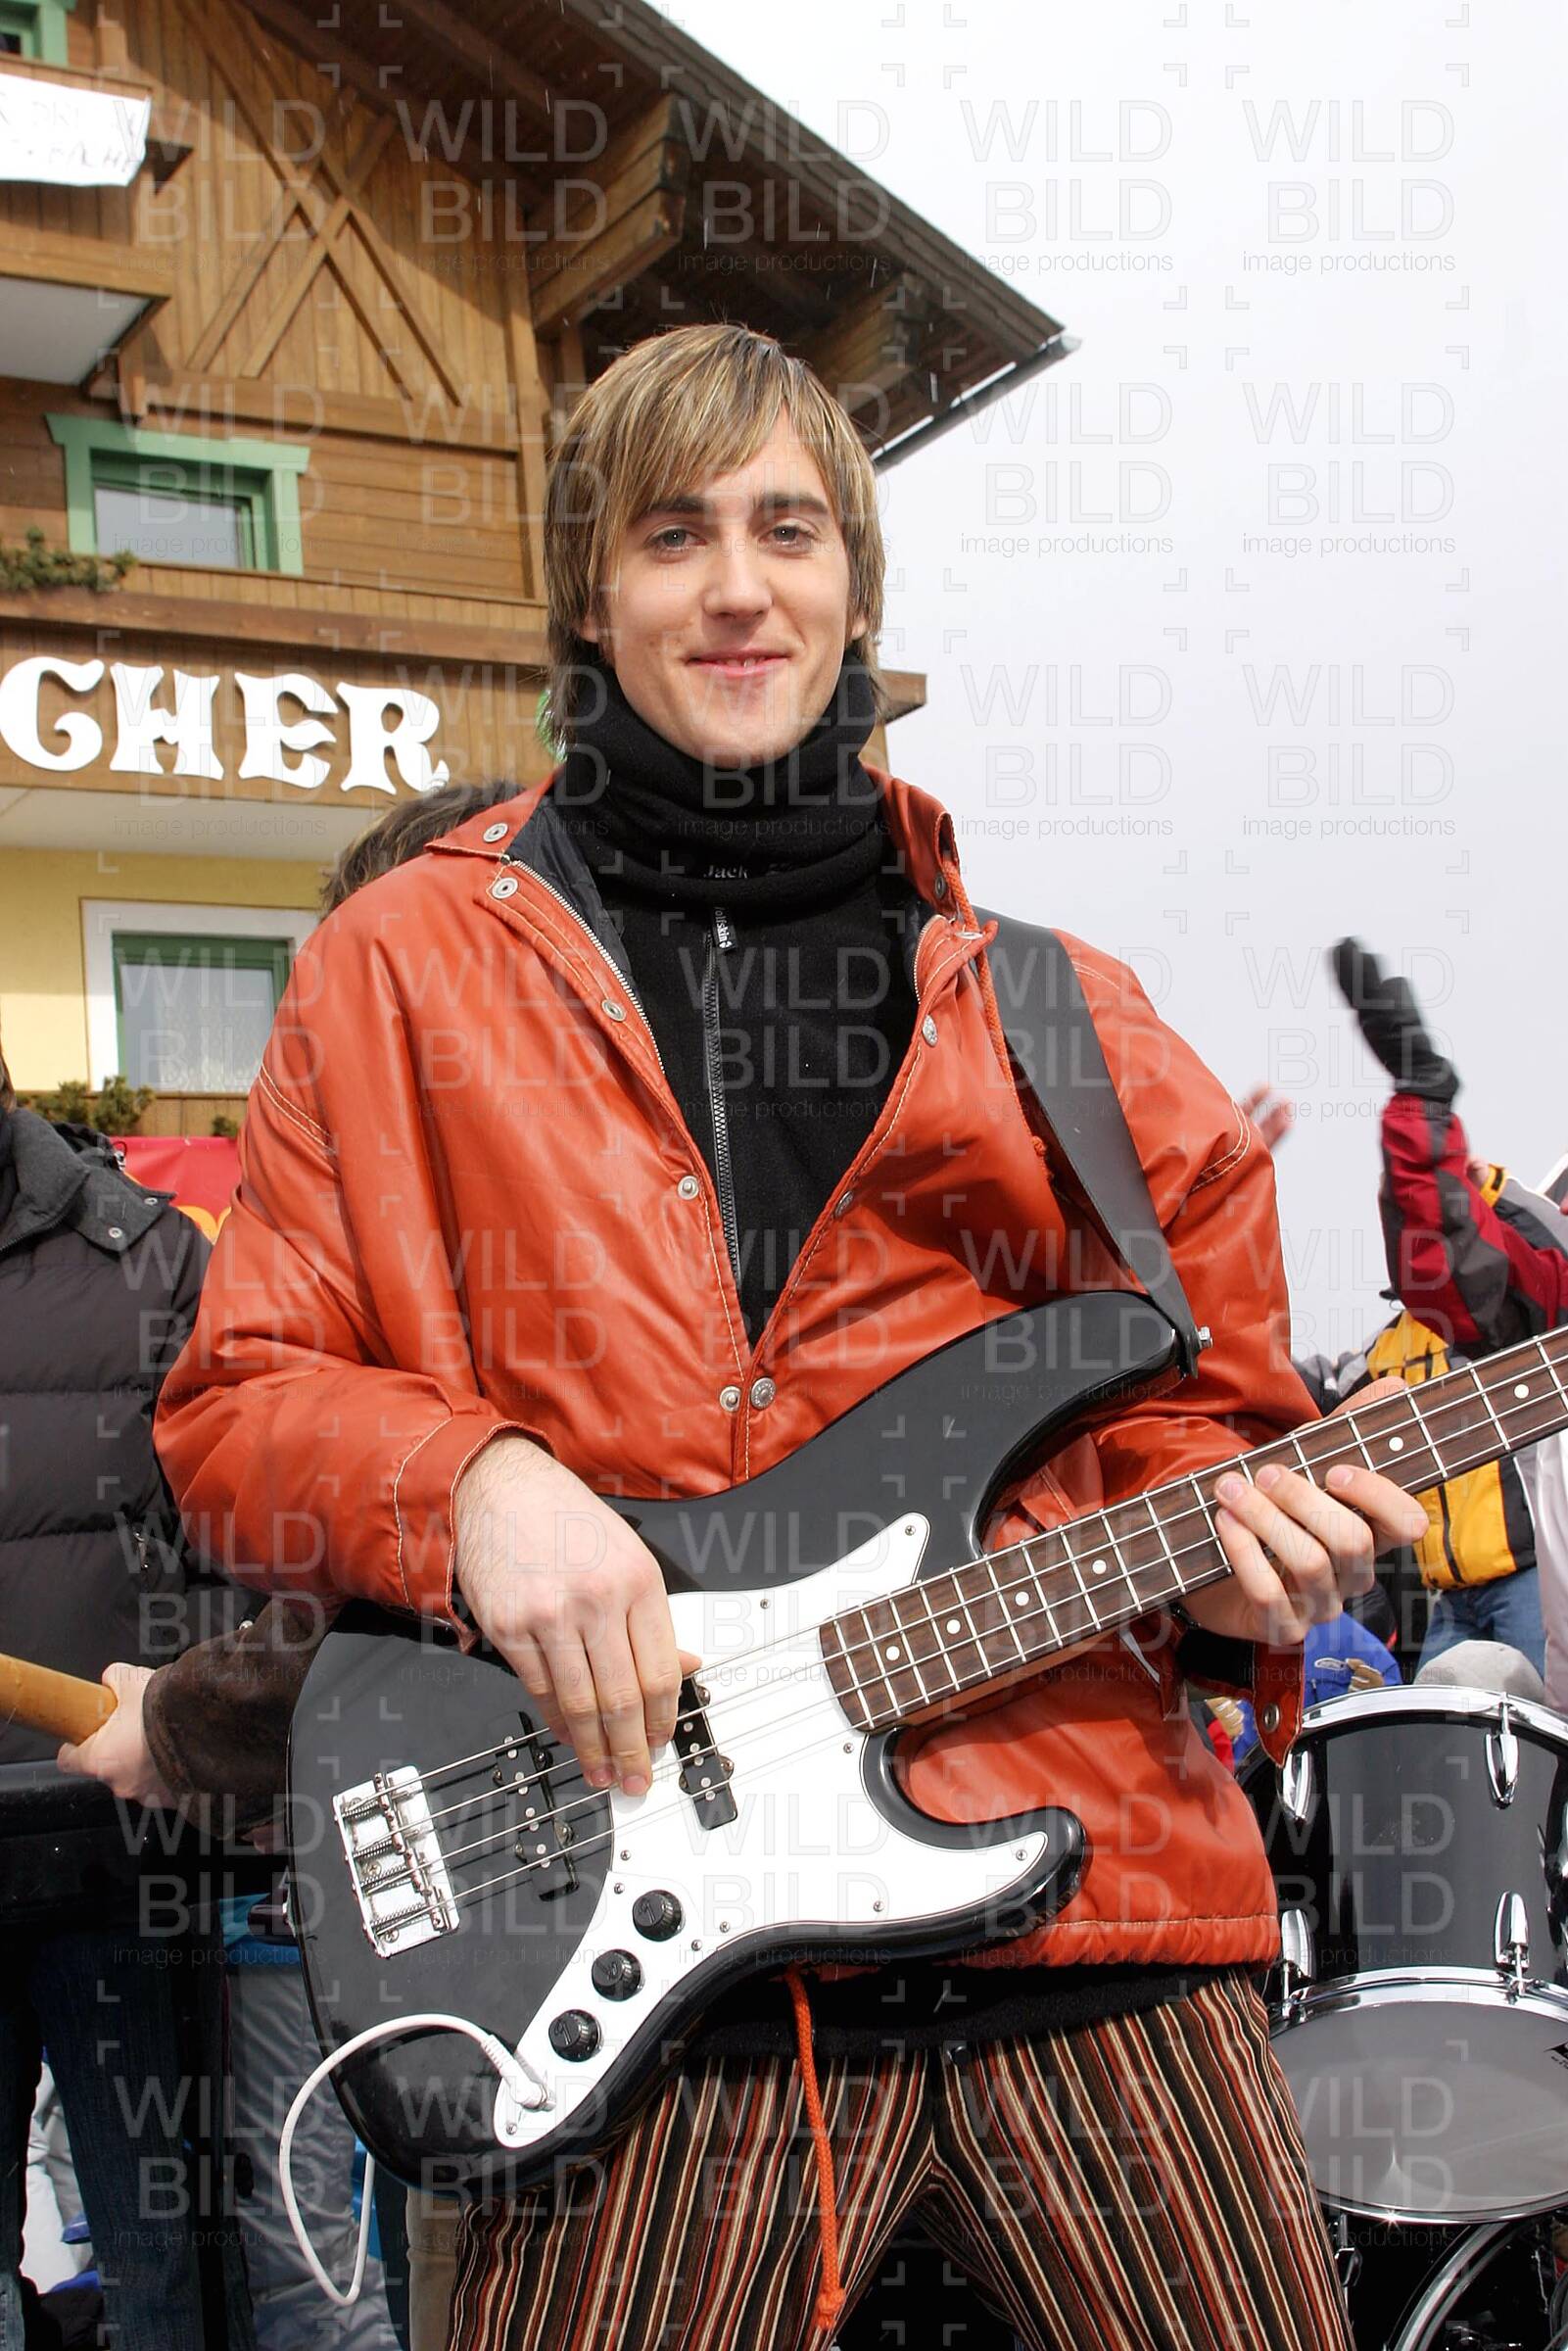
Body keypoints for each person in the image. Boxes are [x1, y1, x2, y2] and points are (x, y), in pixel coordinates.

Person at [152, 323, 1429, 2351]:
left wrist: (1242, 1565)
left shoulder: (1066, 1014)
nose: (737, 588)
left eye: (787, 530)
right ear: (588, 593)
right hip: (631, 1963)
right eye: (673, 537)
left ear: (853, 587)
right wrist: (472, 1486)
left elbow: (1211, 1423)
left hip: (1091, 1920)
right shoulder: (397, 970)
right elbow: (238, 1406)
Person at [55, 776, 523, 2351]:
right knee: (349, 2265)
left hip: (550, 1884)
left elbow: (416, 1611)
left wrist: (185, 1720)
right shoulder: (344, 1244)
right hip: (357, 1863)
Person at [0, 1040, 255, 2349]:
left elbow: (242, 1538)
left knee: (171, 2261)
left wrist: (176, 1722)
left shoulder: (149, 1258)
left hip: (121, 1850)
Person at [1324, 939, 1563, 1679]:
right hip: (1450, 1590)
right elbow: (1458, 1261)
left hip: (1519, 1577)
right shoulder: (1389, 1351)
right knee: (1433, 1720)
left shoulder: (1506, 1326)